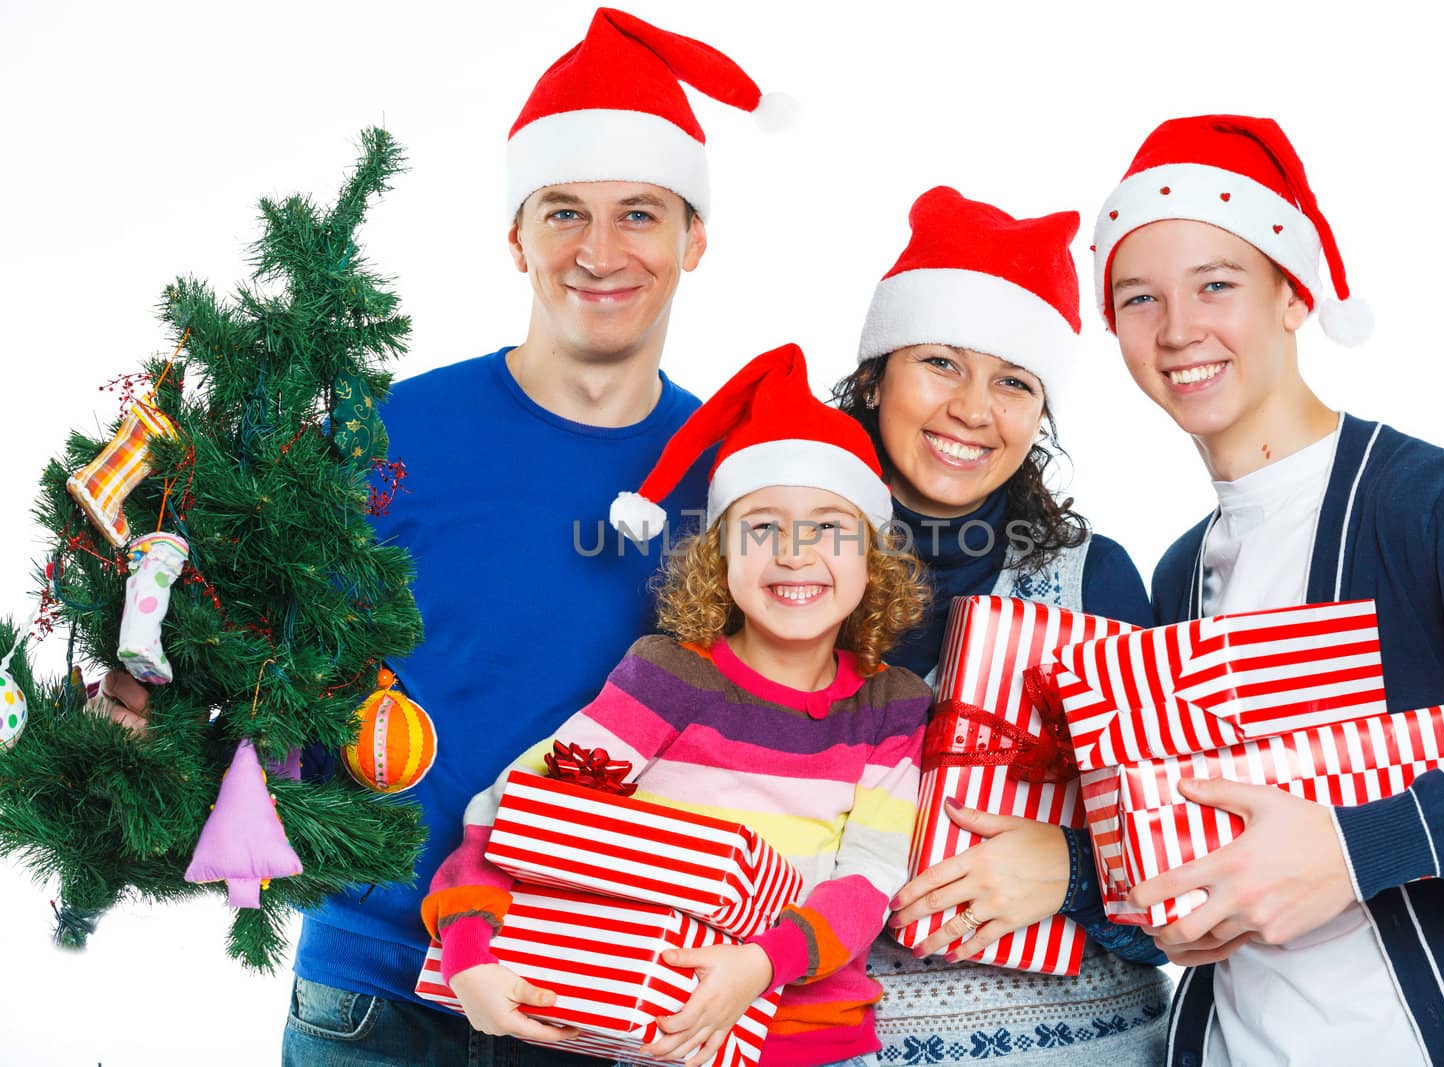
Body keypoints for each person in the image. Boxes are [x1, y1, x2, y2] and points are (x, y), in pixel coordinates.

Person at [90, 9, 786, 1065]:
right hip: (374, 994)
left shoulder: (738, 480)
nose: (600, 253)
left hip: (612, 996)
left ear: (696, 237)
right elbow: (250, 622)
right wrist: (148, 707)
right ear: (515, 235)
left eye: (640, 214)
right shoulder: (387, 436)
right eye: (563, 214)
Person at [1093, 114, 1444, 1067]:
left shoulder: (1417, 503)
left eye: (1216, 284)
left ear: (1293, 295)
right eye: (1137, 298)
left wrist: (1364, 850)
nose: (1177, 330)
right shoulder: (1179, 570)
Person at [422, 343, 934, 1067]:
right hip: (653, 1032)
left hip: (813, 1043)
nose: (793, 552)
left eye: (828, 527)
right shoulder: (667, 678)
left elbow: (870, 875)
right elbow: (519, 807)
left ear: (872, 559)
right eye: (761, 527)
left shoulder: (891, 705)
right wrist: (468, 950)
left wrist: (760, 964)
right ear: (720, 556)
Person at [833, 186, 1170, 1064]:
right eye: (941, 362)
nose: (975, 410)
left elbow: (1189, 880)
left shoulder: (1091, 582)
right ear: (874, 374)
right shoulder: (777, 568)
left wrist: (1072, 868)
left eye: (1013, 380)